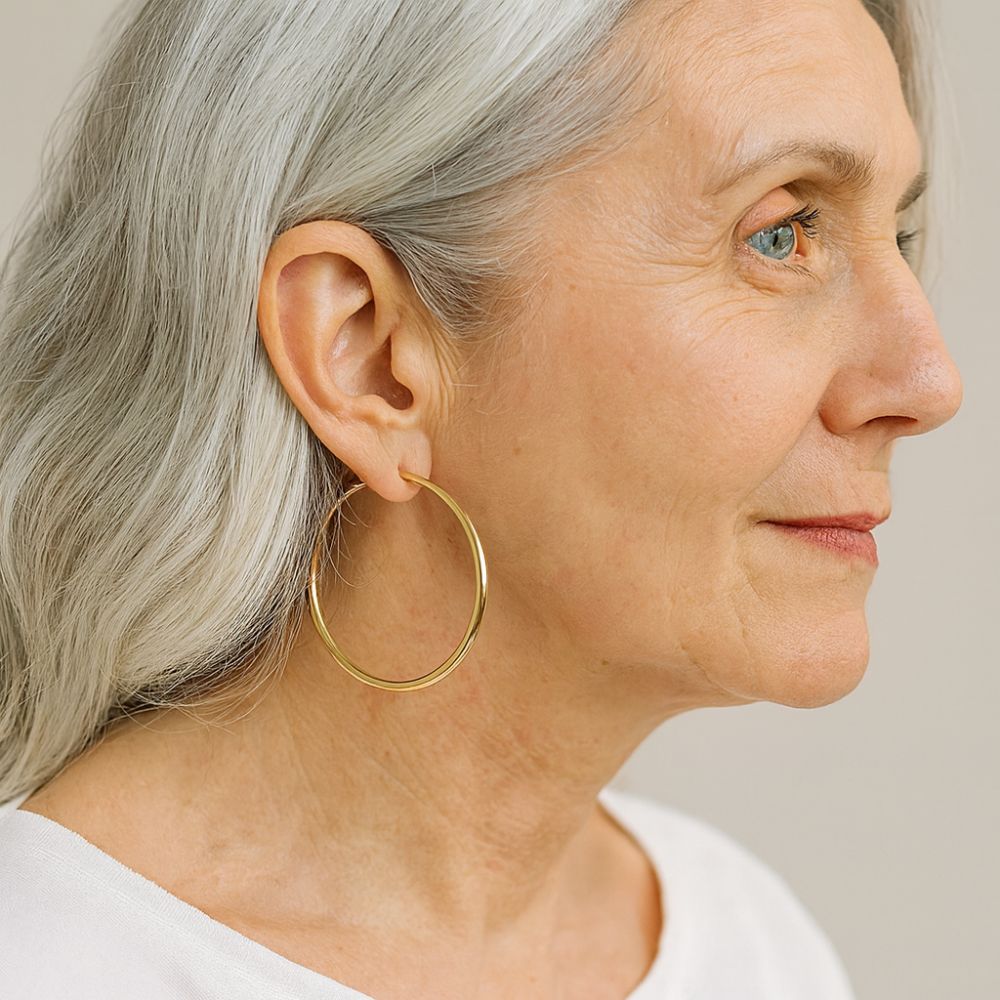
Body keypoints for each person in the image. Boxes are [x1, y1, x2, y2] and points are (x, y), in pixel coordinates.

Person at [0, 0, 962, 997]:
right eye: (781, 232)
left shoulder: (751, 950)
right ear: (366, 356)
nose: (928, 383)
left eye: (895, 231)